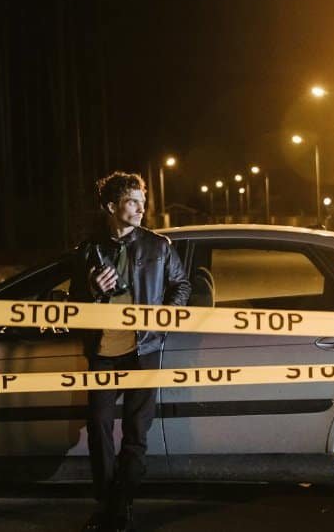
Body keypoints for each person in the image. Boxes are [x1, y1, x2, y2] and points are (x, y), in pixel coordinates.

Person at [69, 171, 191, 532]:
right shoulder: (88, 250)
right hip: (103, 351)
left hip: (144, 349)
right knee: (99, 428)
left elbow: (181, 285)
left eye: (142, 201)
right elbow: (73, 302)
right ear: (111, 206)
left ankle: (120, 507)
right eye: (132, 202)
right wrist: (92, 287)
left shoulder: (158, 246)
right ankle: (108, 502)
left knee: (137, 432)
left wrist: (162, 322)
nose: (141, 209)